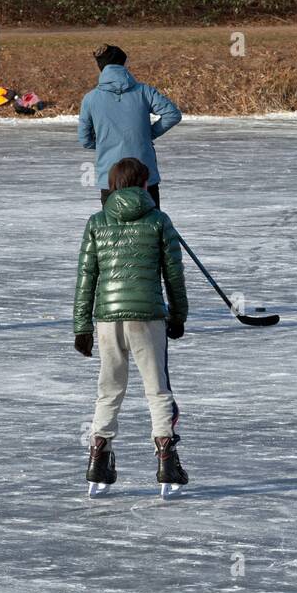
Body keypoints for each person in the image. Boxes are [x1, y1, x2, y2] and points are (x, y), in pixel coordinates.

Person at [74, 157, 190, 496]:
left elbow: (86, 278)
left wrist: (82, 326)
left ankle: (99, 457)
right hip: (148, 317)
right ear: (143, 185)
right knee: (157, 390)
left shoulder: (97, 222)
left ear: (112, 185)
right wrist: (179, 315)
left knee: (109, 389)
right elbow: (174, 274)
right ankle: (166, 461)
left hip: (107, 320)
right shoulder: (158, 220)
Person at [78, 44, 182, 208]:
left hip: (110, 177)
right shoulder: (144, 91)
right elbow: (172, 114)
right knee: (151, 226)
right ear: (124, 65)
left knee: (113, 229)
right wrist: (148, 134)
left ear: (100, 67)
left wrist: (104, 143)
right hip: (144, 175)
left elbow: (85, 139)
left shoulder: (90, 99)